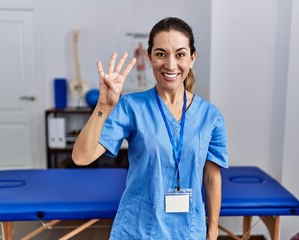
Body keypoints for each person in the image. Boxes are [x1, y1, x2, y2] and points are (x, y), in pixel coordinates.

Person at [72, 17, 228, 240]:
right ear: (150, 58)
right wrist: (104, 105)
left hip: (188, 232)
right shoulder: (131, 107)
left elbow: (212, 178)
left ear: (192, 58)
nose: (171, 64)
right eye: (161, 54)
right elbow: (81, 157)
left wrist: (212, 233)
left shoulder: (211, 117)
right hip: (137, 230)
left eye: (180, 54)